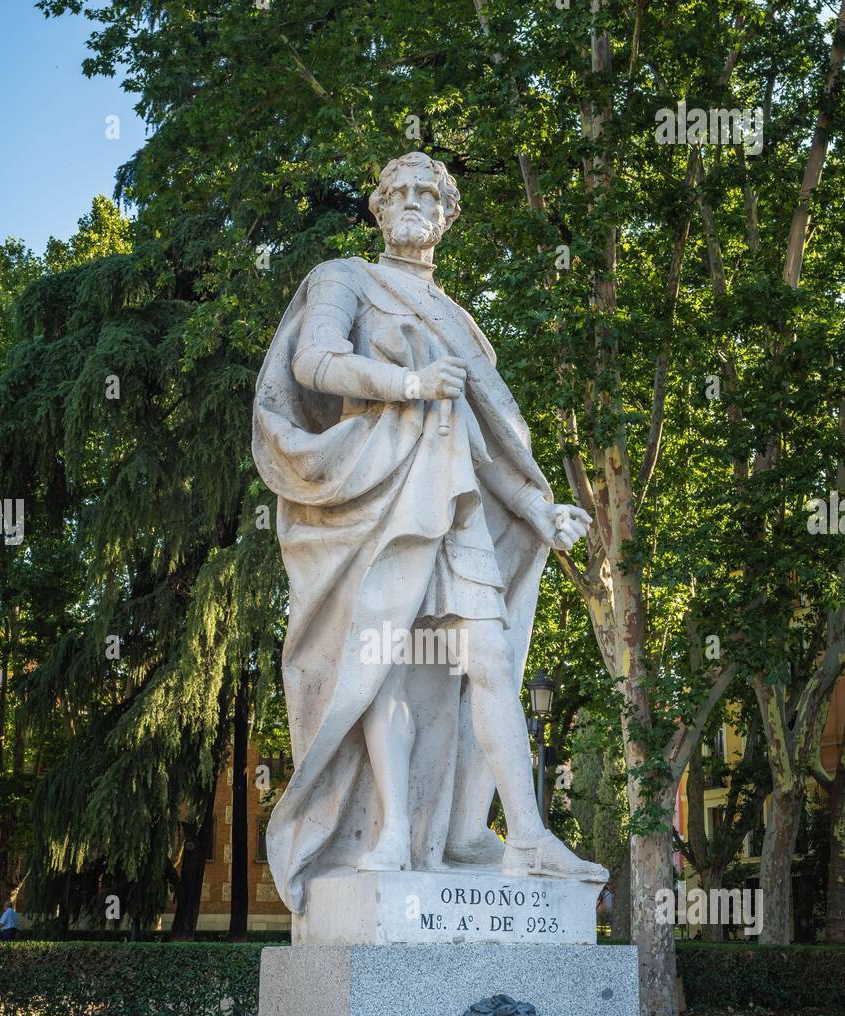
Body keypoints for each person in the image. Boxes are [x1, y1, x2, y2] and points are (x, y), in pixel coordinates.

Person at [254, 151, 607, 913]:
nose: (413, 202)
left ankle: (525, 835)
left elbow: (485, 443)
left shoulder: (465, 326)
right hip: (376, 498)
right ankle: (392, 835)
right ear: (378, 209)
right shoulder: (343, 277)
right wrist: (406, 384)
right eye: (399, 192)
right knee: (382, 664)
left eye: (429, 194)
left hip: (457, 506)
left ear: (449, 215)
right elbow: (314, 362)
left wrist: (539, 508)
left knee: (487, 661)